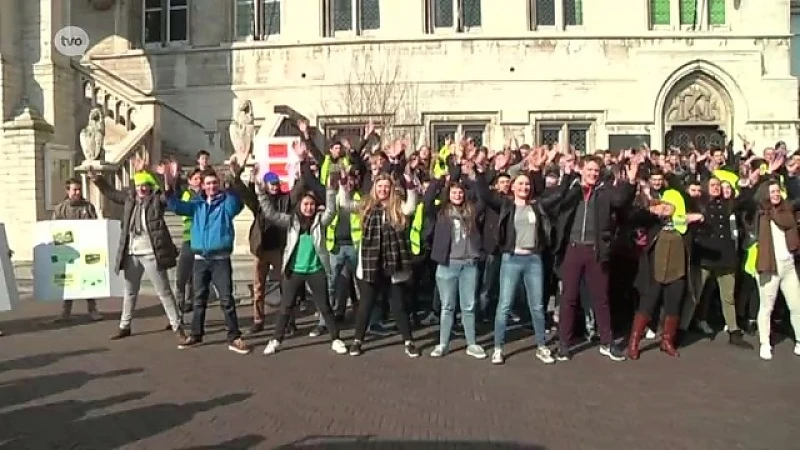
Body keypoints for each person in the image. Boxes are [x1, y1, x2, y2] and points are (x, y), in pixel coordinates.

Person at [88, 167, 184, 344]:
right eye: (139, 185)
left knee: (164, 291)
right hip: (132, 252)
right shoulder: (129, 200)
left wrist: (170, 179)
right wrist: (97, 179)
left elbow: (170, 196)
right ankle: (125, 326)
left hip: (151, 253)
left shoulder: (157, 200)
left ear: (150, 186)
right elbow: (111, 193)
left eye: (145, 185)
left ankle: (177, 326)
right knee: (130, 291)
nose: (142, 188)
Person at [164, 162, 251, 355]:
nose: (211, 187)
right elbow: (177, 207)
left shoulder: (226, 203)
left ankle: (234, 336)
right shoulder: (197, 204)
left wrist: (237, 176)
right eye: (208, 183)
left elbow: (237, 201)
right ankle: (196, 334)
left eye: (214, 183)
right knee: (199, 299)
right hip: (200, 259)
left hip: (220, 259)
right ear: (202, 186)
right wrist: (169, 185)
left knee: (226, 299)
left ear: (219, 184)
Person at [258, 172, 347, 356]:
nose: (309, 208)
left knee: (325, 306)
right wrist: (260, 192)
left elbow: (331, 211)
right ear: (299, 205)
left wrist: (330, 189)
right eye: (305, 204)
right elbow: (271, 214)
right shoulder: (291, 221)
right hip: (294, 271)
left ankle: (336, 339)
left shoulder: (319, 222)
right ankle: (276, 340)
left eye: (312, 205)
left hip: (316, 270)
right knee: (286, 307)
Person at [344, 173, 421, 357]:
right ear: (374, 188)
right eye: (380, 186)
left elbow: (411, 207)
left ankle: (408, 341)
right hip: (372, 264)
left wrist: (410, 187)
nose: (383, 190)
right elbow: (345, 205)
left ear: (391, 189)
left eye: (386, 187)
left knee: (398, 305)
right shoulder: (366, 205)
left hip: (393, 264)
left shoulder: (397, 206)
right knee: (366, 305)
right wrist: (342, 188)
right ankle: (357, 340)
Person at [426, 178, 486, 359]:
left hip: (468, 264)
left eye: (460, 192)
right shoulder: (441, 212)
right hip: (447, 265)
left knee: (468, 306)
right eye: (453, 192)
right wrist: (438, 182)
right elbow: (427, 201)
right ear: (448, 194)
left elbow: (484, 198)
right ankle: (443, 343)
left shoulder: (471, 211)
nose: (457, 195)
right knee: (447, 307)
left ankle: (472, 343)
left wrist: (472, 179)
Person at [753, 180, 800, 360]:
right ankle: (765, 343)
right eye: (771, 191)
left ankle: (799, 341)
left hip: (788, 265)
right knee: (767, 307)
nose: (775, 194)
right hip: (769, 266)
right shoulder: (762, 213)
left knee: (796, 306)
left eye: (777, 191)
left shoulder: (787, 210)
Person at [51, 178, 103, 323]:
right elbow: (55, 229)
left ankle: (93, 309)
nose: (77, 192)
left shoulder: (88, 207)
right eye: (74, 190)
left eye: (79, 189)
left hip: (86, 249)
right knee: (68, 282)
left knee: (89, 279)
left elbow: (95, 227)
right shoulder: (60, 208)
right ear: (67, 191)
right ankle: (65, 311)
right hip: (68, 251)